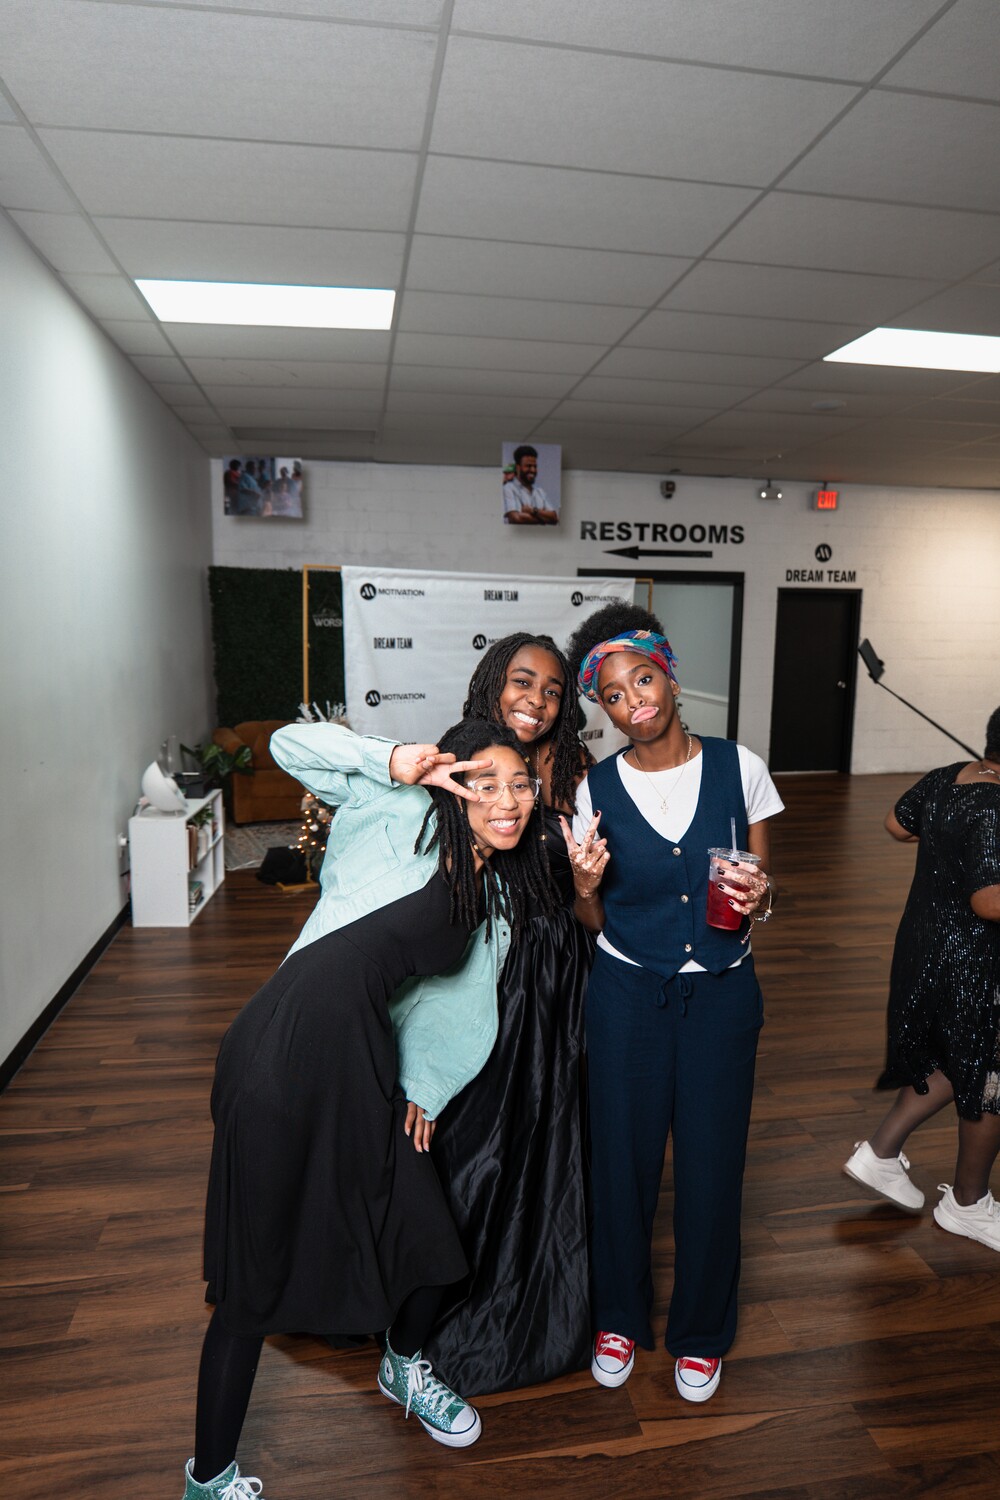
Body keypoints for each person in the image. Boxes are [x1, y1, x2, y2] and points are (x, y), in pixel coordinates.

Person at [183, 719, 558, 1500]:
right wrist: (390, 760)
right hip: (282, 1053)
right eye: (485, 782)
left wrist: (423, 1085)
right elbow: (287, 747)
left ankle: (403, 1364)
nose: (508, 800)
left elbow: (455, 1005)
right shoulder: (394, 810)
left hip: (361, 1064)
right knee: (253, 1283)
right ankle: (209, 1479)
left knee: (430, 1240)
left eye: (521, 784)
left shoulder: (491, 888)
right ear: (451, 780)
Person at [562, 602, 783, 1404]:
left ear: (670, 675)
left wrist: (759, 899)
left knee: (712, 1163)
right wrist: (585, 889)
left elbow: (761, 894)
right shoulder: (594, 786)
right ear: (605, 709)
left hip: (723, 995)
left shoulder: (740, 767)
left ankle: (701, 1333)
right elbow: (593, 917)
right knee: (619, 1162)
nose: (633, 702)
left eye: (642, 680)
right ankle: (618, 1317)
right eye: (613, 695)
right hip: (625, 992)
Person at [423, 633, 594, 1392]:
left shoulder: (582, 771)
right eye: (523, 681)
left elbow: (596, 902)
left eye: (553, 689)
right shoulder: (459, 759)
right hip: (483, 971)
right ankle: (450, 1296)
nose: (537, 698)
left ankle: (545, 1293)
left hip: (562, 979)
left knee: (554, 1139)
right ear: (494, 682)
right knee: (476, 1144)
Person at [843, 706, 1000, 1248]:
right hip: (976, 962)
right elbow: (989, 901)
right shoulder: (997, 806)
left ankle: (880, 1153)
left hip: (924, 947)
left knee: (957, 1060)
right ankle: (968, 1203)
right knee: (989, 1074)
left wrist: (947, 836)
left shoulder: (948, 775)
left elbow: (896, 823)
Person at [502, 445, 559, 525]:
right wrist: (544, 517)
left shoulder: (540, 491)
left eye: (535, 466)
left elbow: (554, 517)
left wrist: (533, 511)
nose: (533, 470)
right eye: (528, 466)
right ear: (518, 467)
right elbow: (516, 518)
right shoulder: (508, 488)